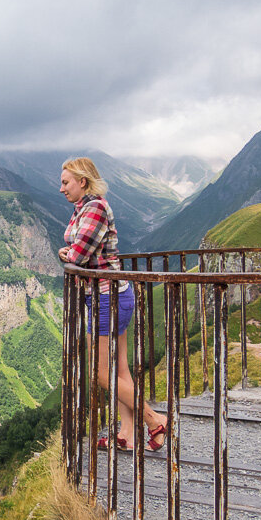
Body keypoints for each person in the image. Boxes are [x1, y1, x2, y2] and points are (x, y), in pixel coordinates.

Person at [57, 156, 166, 452]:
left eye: (66, 182)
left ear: (82, 181)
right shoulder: (83, 209)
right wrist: (67, 252)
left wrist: (67, 253)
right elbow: (75, 249)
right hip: (109, 295)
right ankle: (128, 434)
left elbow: (77, 256)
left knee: (102, 373)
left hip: (107, 297)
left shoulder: (95, 208)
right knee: (120, 371)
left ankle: (155, 419)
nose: (61, 189)